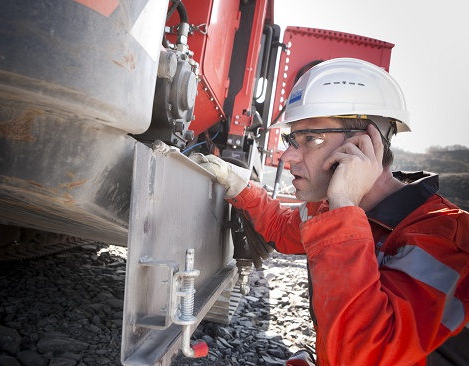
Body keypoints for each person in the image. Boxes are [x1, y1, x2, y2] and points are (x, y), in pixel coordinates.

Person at [190, 58, 469, 365]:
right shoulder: (329, 210)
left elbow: (363, 357)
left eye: (310, 138)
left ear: (366, 143)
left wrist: (344, 207)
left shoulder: (446, 239)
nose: (288, 156)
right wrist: (239, 186)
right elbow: (284, 230)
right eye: (291, 140)